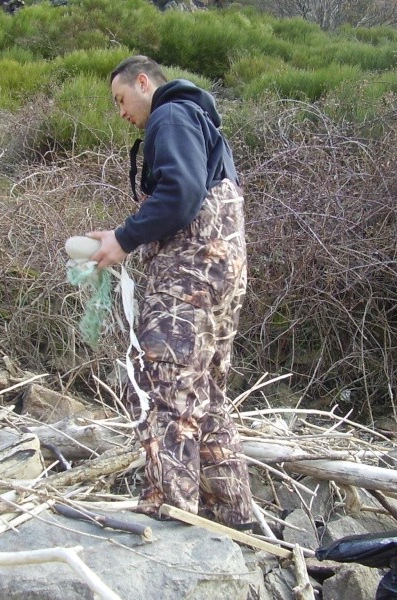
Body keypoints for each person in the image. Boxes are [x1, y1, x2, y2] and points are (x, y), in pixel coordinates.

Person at [87, 55, 254, 530]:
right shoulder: (199, 123)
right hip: (222, 276)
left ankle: (172, 520)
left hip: (188, 280)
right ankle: (233, 523)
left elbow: (180, 192)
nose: (121, 112)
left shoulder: (170, 114)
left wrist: (122, 238)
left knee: (167, 391)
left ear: (144, 83)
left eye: (121, 99)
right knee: (207, 398)